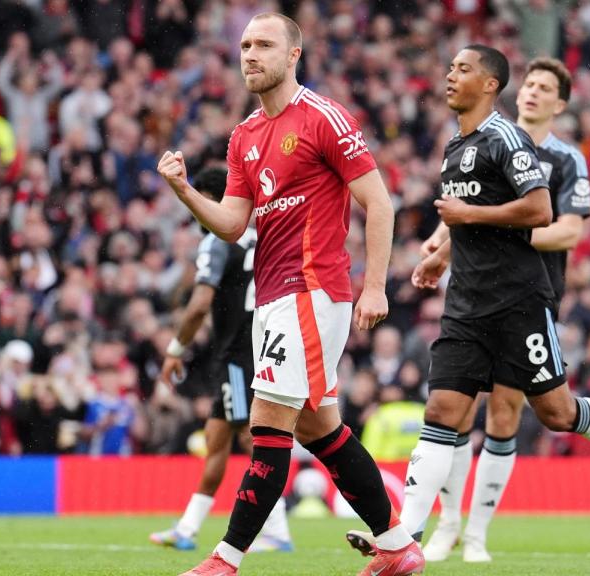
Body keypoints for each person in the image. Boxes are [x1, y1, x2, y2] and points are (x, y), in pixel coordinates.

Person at [345, 45, 590, 563]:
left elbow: (540, 208)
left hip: (519, 300)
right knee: (443, 411)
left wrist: (467, 218)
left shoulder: (507, 137)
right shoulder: (453, 146)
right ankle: (403, 538)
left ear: (488, 84)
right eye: (450, 66)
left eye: (462, 68)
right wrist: (441, 253)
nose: (450, 75)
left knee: (554, 411)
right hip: (466, 303)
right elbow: (466, 217)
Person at [159, 13, 423, 576]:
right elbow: (231, 224)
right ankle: (397, 546)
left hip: (310, 290)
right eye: (245, 45)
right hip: (273, 296)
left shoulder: (324, 118)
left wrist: (374, 286)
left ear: (294, 54)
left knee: (269, 424)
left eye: (265, 45)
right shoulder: (243, 136)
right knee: (318, 428)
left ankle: (225, 560)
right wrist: (184, 190)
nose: (250, 54)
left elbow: (379, 202)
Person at [420, 57, 590, 563]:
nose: (534, 94)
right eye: (531, 85)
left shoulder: (566, 160)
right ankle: (447, 527)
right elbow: (460, 208)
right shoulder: (486, 138)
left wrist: (497, 228)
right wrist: (440, 245)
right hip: (476, 294)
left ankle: (476, 534)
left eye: (546, 89)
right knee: (455, 412)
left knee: (504, 412)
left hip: (527, 294)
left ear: (560, 104)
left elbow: (567, 230)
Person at [149, 166, 292, 553]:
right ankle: (188, 529)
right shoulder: (257, 236)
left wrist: (175, 349)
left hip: (237, 355)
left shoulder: (217, 239)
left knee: (250, 439)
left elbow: (199, 305)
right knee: (217, 439)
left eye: (195, 201)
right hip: (256, 345)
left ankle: (278, 531)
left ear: (211, 200)